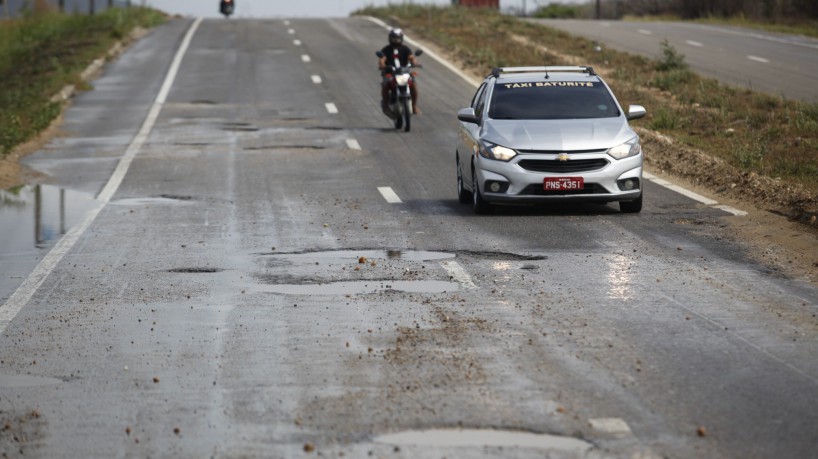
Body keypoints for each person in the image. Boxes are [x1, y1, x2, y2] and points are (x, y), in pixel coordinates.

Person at [378, 28, 420, 115]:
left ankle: (414, 105)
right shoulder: (386, 49)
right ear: (390, 38)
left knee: (413, 84)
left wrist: (414, 63)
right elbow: (382, 59)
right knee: (385, 84)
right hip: (390, 73)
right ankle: (385, 105)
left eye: (397, 38)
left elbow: (411, 57)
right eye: (394, 38)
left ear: (401, 38)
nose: (396, 40)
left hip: (404, 72)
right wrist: (382, 65)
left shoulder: (405, 49)